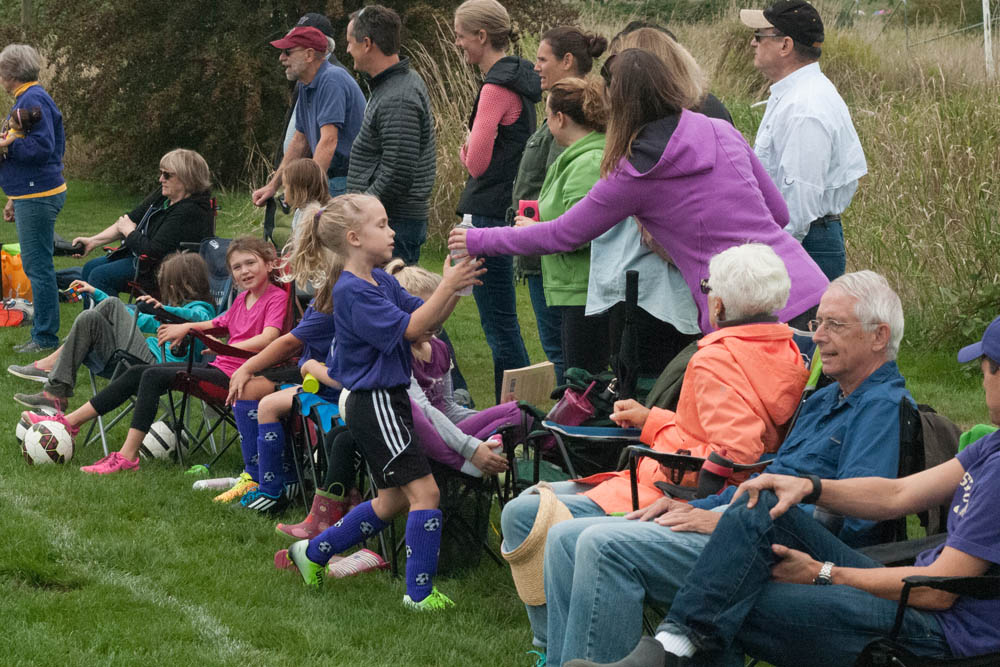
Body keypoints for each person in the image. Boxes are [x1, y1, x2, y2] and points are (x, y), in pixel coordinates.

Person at [533, 271, 912, 667]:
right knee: (563, 538)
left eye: (834, 325)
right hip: (742, 519)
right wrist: (705, 507)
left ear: (879, 337)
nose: (816, 337)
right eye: (818, 323)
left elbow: (854, 520)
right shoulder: (826, 398)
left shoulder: (881, 408)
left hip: (779, 547)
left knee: (603, 546)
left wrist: (734, 525)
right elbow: (770, 476)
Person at [600, 316, 1000, 667]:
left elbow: (939, 593)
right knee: (763, 500)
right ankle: (673, 644)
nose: (982, 376)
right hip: (921, 592)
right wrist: (810, 487)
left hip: (943, 628)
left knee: (735, 601)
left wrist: (824, 574)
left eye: (984, 367)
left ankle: (671, 647)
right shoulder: (992, 444)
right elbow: (897, 494)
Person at [500, 243, 809, 656]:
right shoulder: (783, 350)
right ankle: (555, 648)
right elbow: (730, 433)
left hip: (667, 490)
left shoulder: (718, 359)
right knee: (527, 511)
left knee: (526, 514)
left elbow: (732, 452)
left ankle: (554, 651)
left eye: (706, 287)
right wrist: (654, 420)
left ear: (717, 304)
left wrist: (663, 455)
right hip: (680, 485)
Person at [449, 48, 829, 336]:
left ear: (617, 105)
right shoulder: (720, 130)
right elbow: (778, 214)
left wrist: (477, 239)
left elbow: (561, 233)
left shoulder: (634, 173)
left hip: (744, 315)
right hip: (809, 290)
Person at [277, 194, 484, 612]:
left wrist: (451, 287)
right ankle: (419, 595)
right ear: (354, 238)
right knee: (425, 493)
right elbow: (411, 330)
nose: (392, 232)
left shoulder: (380, 280)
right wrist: (447, 285)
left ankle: (313, 553)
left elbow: (427, 319)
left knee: (392, 500)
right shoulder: (353, 291)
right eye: (383, 224)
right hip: (376, 404)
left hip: (385, 401)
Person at [21, 237, 287, 475]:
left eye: (250, 263)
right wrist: (189, 328)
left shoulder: (276, 298)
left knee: (152, 374)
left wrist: (216, 343)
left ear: (268, 263)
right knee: (142, 372)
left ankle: (126, 456)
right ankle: (69, 423)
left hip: (239, 376)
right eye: (237, 267)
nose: (244, 271)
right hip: (221, 368)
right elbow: (215, 324)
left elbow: (269, 338)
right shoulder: (243, 300)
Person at [740, 0, 866, 281]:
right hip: (805, 240)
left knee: (799, 326)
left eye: (760, 35)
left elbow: (799, 204)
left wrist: (769, 262)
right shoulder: (797, 94)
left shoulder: (806, 106)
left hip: (803, 243)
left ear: (785, 46)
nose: (753, 42)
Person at [509, 26, 607, 384]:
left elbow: (577, 214)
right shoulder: (563, 114)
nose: (535, 66)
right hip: (546, 254)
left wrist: (536, 231)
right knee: (564, 356)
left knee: (569, 362)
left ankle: (574, 431)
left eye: (542, 58)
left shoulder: (579, 144)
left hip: (558, 263)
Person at [453, 0, 539, 402]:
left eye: (460, 35)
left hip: (487, 215)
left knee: (498, 327)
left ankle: (512, 418)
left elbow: (478, 162)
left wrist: (466, 149)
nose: (457, 44)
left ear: (482, 37)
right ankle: (518, 414)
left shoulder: (494, 88)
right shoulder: (522, 80)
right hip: (508, 208)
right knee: (505, 323)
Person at [9, 252, 215, 412]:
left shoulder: (204, 311)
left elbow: (199, 319)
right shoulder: (168, 316)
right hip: (143, 359)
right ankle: (55, 395)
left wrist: (164, 309)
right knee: (89, 318)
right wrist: (95, 292)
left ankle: (52, 363)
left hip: (158, 367)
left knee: (113, 304)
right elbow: (140, 320)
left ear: (182, 285)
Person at [525, 76, 612, 374]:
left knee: (582, 380)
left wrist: (533, 229)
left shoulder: (587, 162)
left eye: (547, 116)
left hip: (583, 291)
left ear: (560, 119)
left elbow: (585, 229)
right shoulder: (578, 157)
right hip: (576, 287)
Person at [345, 4, 436, 266]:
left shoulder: (398, 96)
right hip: (388, 219)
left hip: (394, 223)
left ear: (367, 43)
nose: (348, 49)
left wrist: (360, 212)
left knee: (392, 302)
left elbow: (397, 173)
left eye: (350, 42)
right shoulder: (391, 85)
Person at [71, 148, 215, 298]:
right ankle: (93, 320)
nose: (161, 179)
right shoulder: (164, 195)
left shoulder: (191, 210)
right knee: (90, 267)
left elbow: (152, 251)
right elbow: (130, 218)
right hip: (144, 262)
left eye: (167, 175)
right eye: (161, 173)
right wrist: (93, 241)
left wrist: (129, 232)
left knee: (101, 276)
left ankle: (110, 319)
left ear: (187, 178)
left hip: (166, 270)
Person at [0, 44, 67, 353]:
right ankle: (44, 332)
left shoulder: (33, 99)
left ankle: (45, 338)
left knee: (38, 268)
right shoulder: (29, 98)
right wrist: (14, 197)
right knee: (37, 264)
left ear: (11, 72)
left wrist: (6, 147)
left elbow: (42, 149)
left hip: (39, 193)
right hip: (30, 193)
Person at [252, 25, 365, 204]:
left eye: (287, 52)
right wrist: (273, 186)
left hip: (345, 182)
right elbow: (299, 141)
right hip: (330, 178)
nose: (281, 58)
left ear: (309, 55)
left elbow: (329, 141)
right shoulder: (307, 85)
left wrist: (309, 192)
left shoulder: (331, 79)